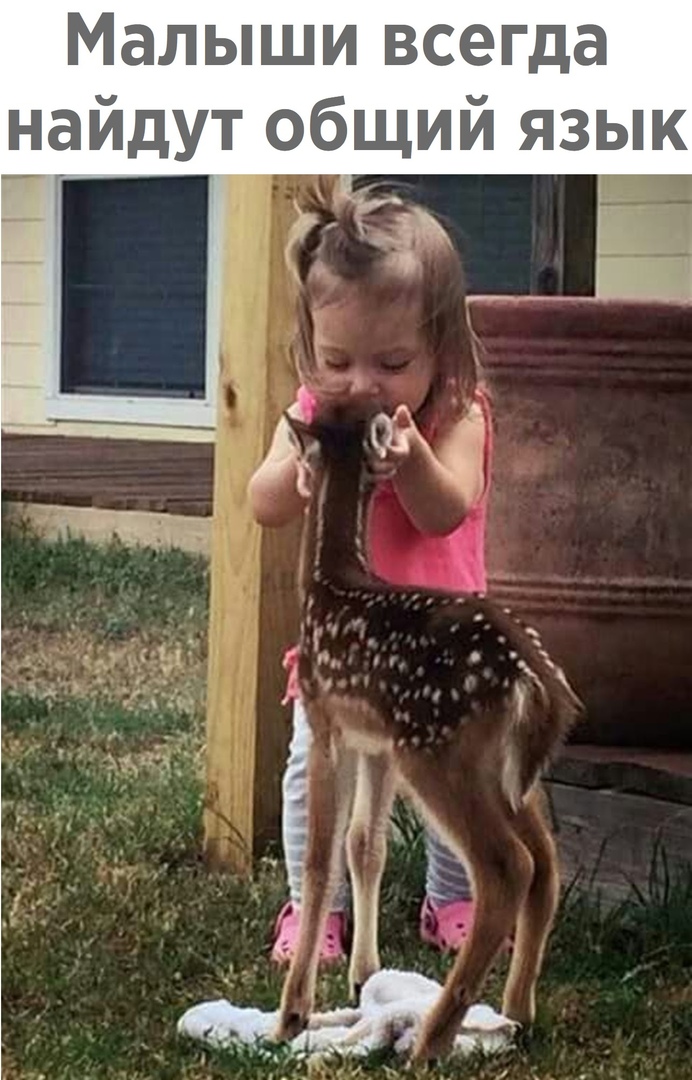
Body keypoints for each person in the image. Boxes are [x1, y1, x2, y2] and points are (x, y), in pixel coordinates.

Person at [247, 177, 493, 966]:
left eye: (391, 362)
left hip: (434, 646)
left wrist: (412, 457)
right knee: (310, 770)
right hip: (345, 651)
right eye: (337, 360)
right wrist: (300, 476)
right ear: (310, 350)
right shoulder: (316, 416)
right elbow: (262, 501)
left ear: (441, 351)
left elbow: (446, 509)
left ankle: (452, 899)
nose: (361, 384)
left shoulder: (459, 416)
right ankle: (314, 908)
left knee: (452, 776)